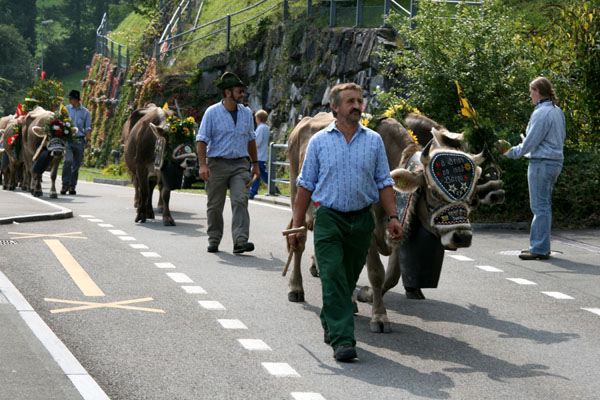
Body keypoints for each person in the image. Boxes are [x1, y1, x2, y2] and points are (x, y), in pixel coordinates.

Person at [288, 83, 403, 362]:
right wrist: (297, 223)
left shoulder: (373, 140)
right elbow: (304, 185)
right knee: (332, 276)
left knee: (348, 277)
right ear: (335, 108)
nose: (356, 105)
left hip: (361, 220)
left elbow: (384, 183)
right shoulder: (319, 142)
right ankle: (343, 340)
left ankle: (330, 319)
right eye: (350, 101)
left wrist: (392, 217)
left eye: (359, 101)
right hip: (328, 217)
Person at [501, 77, 566, 260]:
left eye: (531, 91)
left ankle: (538, 248)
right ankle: (541, 246)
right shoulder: (557, 111)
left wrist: (510, 152)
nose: (530, 95)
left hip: (541, 163)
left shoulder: (541, 113)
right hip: (555, 162)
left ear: (537, 91)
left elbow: (530, 143)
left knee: (539, 207)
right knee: (544, 205)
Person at [196, 72, 261, 254]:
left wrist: (255, 164)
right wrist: (203, 165)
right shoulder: (212, 112)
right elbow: (201, 140)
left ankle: (240, 240)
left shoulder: (247, 113)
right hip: (217, 164)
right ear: (227, 92)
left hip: (240, 164)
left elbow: (251, 139)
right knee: (215, 205)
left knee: (240, 200)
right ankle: (214, 239)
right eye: (239, 91)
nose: (242, 95)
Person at [61, 90, 91, 195]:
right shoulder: (66, 110)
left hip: (79, 140)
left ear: (77, 99)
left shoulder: (85, 112)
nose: (69, 100)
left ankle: (72, 186)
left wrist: (89, 141)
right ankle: (65, 184)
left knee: (76, 164)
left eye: (71, 98)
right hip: (68, 139)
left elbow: (87, 127)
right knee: (68, 161)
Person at [249, 109, 277, 199]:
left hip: (258, 155)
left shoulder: (260, 128)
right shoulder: (266, 128)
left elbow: (258, 141)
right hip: (262, 154)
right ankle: (274, 187)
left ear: (258, 118)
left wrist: (251, 146)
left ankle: (252, 192)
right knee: (262, 174)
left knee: (254, 173)